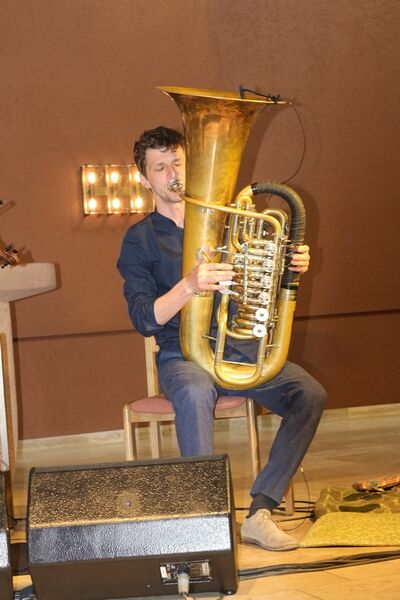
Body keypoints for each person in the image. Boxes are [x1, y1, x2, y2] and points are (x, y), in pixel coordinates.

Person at [117, 126, 327, 552]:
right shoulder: (139, 239)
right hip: (182, 356)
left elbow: (260, 285)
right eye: (160, 167)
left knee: (309, 394)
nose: (173, 174)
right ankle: (205, 522)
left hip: (240, 349)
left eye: (178, 163)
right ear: (145, 179)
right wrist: (188, 285)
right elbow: (144, 318)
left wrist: (289, 267)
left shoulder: (230, 221)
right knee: (195, 393)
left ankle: (260, 512)